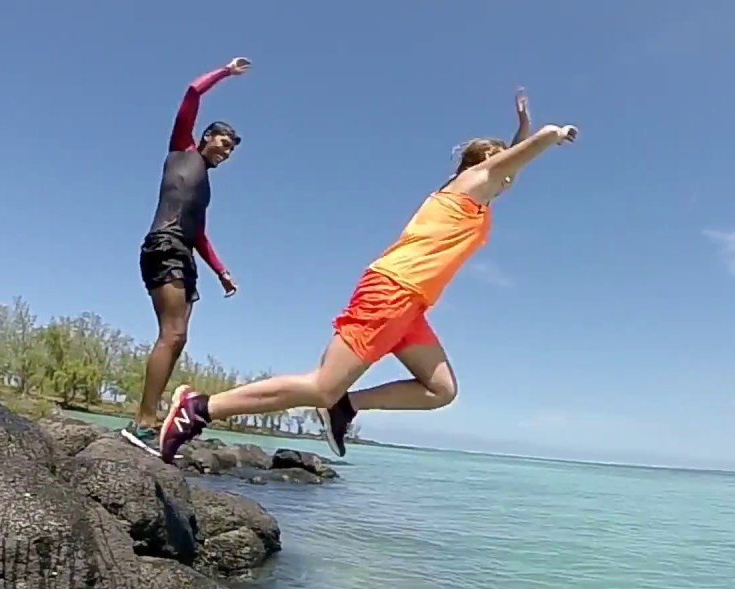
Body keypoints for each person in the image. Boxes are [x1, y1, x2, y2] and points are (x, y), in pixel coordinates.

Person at [155, 93, 578, 465]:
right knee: (320, 386)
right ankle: (200, 407)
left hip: (412, 307)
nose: (508, 182)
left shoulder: (480, 199)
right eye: (501, 167)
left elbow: (513, 165)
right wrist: (549, 134)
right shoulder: (467, 185)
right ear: (484, 164)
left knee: (440, 389)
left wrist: (523, 128)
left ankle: (347, 406)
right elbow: (513, 162)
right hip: (391, 290)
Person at [121, 57, 252, 455]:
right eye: (223, 144)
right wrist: (226, 72)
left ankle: (149, 417)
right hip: (163, 245)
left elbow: (200, 233)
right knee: (173, 333)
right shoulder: (181, 150)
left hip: (184, 251)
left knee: (178, 339)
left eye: (230, 151)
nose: (225, 153)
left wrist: (221, 271)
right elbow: (192, 93)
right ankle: (143, 423)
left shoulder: (205, 186)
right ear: (207, 138)